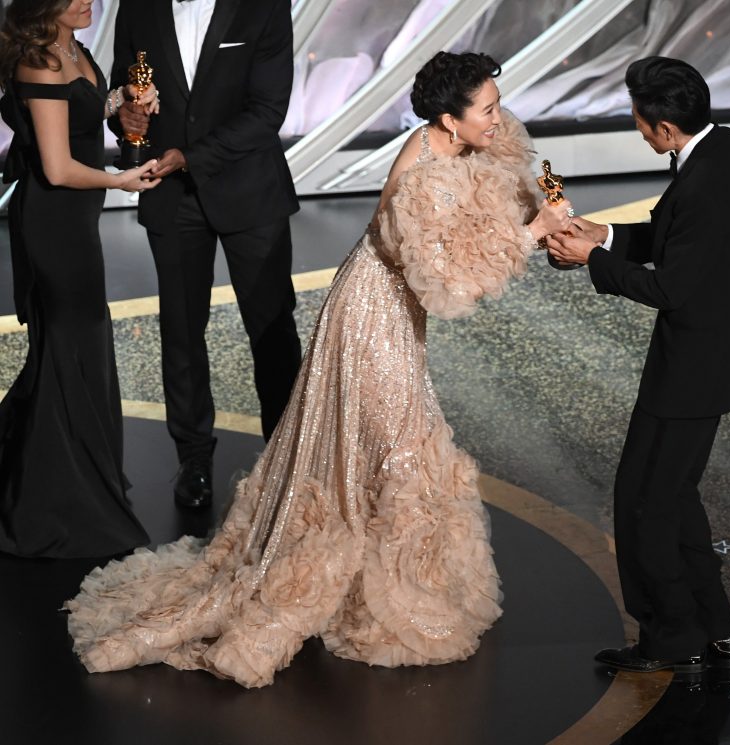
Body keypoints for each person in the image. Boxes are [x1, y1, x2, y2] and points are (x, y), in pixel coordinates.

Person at [65, 51, 573, 688]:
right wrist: (531, 236)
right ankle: (373, 587)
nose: (499, 118)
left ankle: (386, 576)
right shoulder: (419, 176)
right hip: (371, 313)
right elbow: (448, 283)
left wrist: (543, 217)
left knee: (380, 444)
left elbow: (496, 198)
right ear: (448, 119)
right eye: (488, 110)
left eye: (498, 104)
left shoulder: (464, 144)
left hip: (392, 309)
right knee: (396, 445)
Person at [547, 57, 730, 677]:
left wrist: (592, 263)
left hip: (695, 364)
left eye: (639, 119)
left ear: (663, 130)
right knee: (671, 497)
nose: (636, 127)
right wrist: (602, 235)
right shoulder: (727, 149)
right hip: (715, 353)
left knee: (643, 503)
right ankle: (716, 631)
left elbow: (671, 288)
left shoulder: (704, 179)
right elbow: (674, 233)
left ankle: (670, 638)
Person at [109, 0, 303, 509]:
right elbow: (123, 89)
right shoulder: (138, 7)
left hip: (249, 192)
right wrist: (124, 117)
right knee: (181, 333)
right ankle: (193, 460)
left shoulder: (263, 6)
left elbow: (267, 111)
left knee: (272, 330)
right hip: (172, 199)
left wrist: (192, 157)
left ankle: (287, 459)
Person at [0, 0, 161, 558]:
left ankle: (79, 483)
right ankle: (56, 501)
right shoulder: (40, 62)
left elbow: (84, 107)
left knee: (78, 345)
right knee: (74, 344)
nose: (87, 1)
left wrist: (122, 100)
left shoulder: (73, 47)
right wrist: (123, 181)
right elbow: (57, 168)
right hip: (53, 221)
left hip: (76, 221)